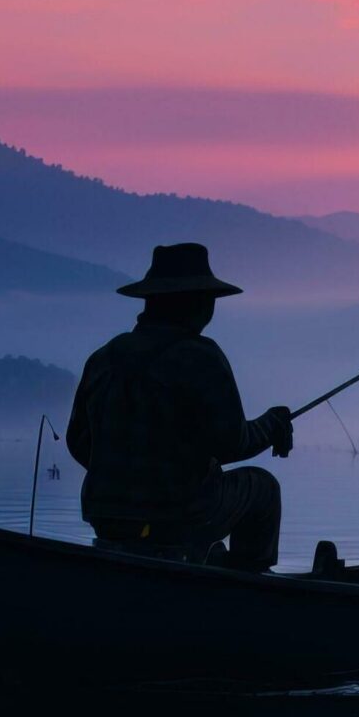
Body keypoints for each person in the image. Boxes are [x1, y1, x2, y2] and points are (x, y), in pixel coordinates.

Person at [67, 243, 293, 570]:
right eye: (208, 301)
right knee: (263, 489)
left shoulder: (104, 357)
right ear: (197, 304)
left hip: (106, 517)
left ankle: (208, 566)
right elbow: (233, 443)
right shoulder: (201, 357)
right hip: (178, 516)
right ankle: (247, 586)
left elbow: (78, 442)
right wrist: (272, 425)